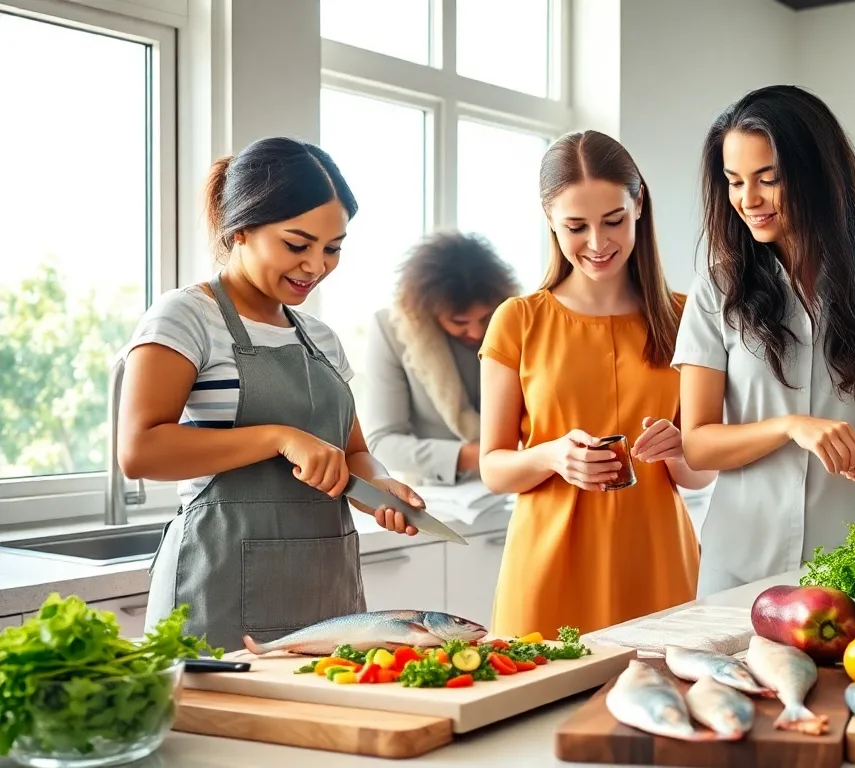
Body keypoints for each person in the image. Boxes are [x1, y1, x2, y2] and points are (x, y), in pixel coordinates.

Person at [121, 137, 425, 651]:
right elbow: (140, 450)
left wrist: (381, 488)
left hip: (327, 596)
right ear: (240, 229)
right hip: (216, 597)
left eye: (333, 249)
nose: (316, 266)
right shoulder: (186, 317)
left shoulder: (320, 337)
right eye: (296, 244)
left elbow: (352, 452)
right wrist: (279, 437)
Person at [674, 85, 855, 596]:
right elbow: (698, 443)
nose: (748, 200)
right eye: (734, 182)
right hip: (738, 569)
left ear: (818, 177)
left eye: (768, 179)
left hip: (851, 569)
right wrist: (790, 426)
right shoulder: (717, 289)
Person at [477, 130, 716, 639]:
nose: (598, 243)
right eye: (575, 226)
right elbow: (494, 468)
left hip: (656, 560)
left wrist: (678, 449)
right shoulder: (518, 320)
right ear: (549, 220)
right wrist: (551, 456)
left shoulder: (685, 316)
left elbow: (699, 476)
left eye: (613, 221)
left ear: (639, 205)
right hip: (547, 565)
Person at [363, 231, 521, 486]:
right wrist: (477, 456)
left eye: (484, 318)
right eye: (459, 322)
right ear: (428, 311)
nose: (476, 332)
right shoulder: (390, 330)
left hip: (516, 489)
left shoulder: (515, 323)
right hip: (438, 497)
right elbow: (382, 442)